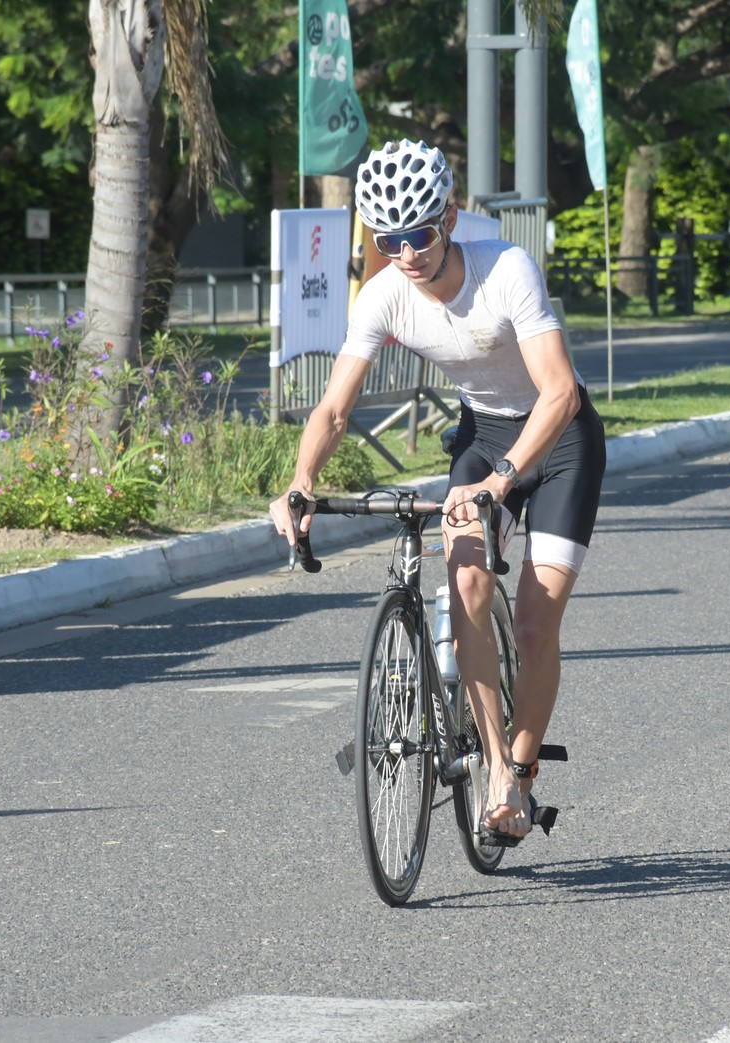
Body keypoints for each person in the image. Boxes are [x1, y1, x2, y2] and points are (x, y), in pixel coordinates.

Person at [269, 139, 606, 844]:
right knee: (467, 584)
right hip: (481, 435)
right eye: (388, 240)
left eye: (419, 234)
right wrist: (300, 484)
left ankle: (521, 764)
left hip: (560, 439)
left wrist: (504, 478)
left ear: (448, 217)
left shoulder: (504, 269)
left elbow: (560, 392)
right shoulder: (385, 295)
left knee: (538, 621)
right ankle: (493, 771)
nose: (408, 253)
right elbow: (334, 408)